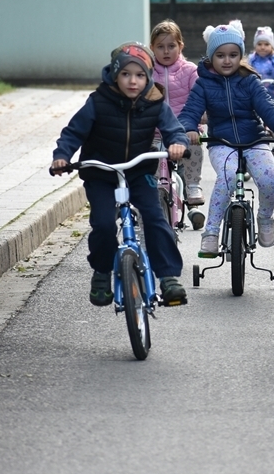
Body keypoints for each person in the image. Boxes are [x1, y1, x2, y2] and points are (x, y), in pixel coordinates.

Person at [51, 43, 189, 306]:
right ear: (115, 75)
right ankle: (102, 272)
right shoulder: (98, 101)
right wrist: (62, 156)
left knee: (155, 218)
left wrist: (177, 144)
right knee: (103, 224)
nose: (133, 81)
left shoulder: (155, 102)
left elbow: (174, 129)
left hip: (138, 172)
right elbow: (73, 132)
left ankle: (168, 277)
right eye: (126, 74)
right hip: (101, 173)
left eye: (139, 75)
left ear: (148, 77)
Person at [178, 21, 274, 256]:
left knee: (270, 179)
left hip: (254, 140)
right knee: (227, 177)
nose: (227, 60)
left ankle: (265, 218)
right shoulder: (203, 84)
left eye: (233, 55)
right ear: (211, 57)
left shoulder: (249, 80)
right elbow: (190, 111)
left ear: (240, 56)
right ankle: (211, 232)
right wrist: (189, 129)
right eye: (220, 55)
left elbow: (268, 108)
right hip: (221, 143)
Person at [149, 19, 205, 206]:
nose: (166, 51)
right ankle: (155, 196)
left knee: (194, 146)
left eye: (171, 46)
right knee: (150, 161)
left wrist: (200, 120)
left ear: (180, 46)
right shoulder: (146, 72)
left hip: (184, 131)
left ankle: (193, 185)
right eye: (160, 47)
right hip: (155, 133)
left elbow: (199, 99)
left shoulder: (190, 71)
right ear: (152, 48)